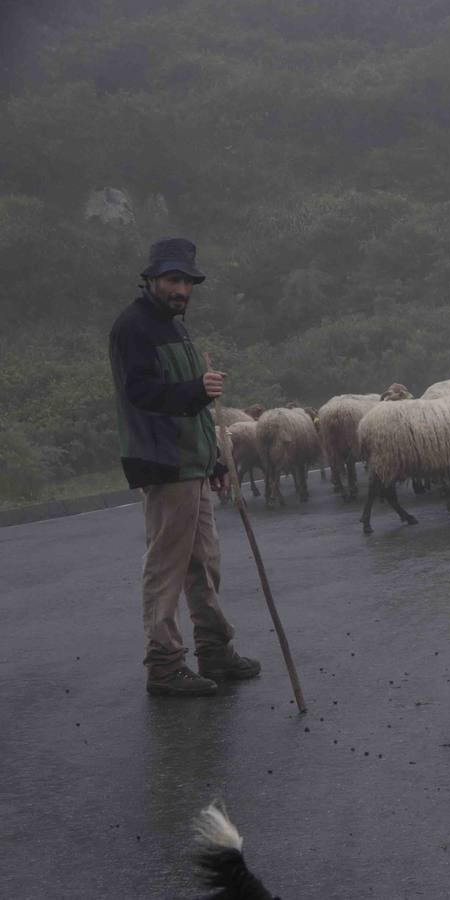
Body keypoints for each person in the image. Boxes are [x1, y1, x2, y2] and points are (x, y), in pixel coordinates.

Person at [109, 236, 261, 697]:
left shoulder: (177, 327)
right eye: (173, 279)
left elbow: (195, 406)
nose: (181, 289)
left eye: (187, 281)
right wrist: (197, 388)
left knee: (204, 562)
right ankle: (164, 663)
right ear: (152, 279)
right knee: (167, 564)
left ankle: (214, 648)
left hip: (191, 460)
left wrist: (213, 457)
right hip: (162, 459)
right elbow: (142, 393)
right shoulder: (133, 327)